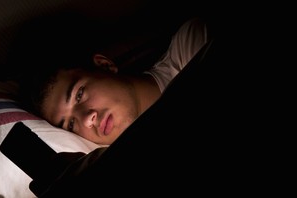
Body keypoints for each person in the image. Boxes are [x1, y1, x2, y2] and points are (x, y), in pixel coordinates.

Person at [20, 16, 210, 145]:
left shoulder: (191, 49)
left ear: (104, 65)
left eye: (79, 94)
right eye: (70, 124)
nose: (86, 119)